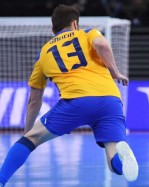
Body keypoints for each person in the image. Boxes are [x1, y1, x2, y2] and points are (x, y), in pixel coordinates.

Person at [0, 4, 138, 186]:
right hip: (110, 100)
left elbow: (34, 100)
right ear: (75, 24)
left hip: (76, 102)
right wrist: (115, 71)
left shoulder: (43, 54)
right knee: (113, 161)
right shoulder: (87, 33)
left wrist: (28, 133)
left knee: (30, 140)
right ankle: (120, 155)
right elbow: (102, 44)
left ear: (52, 28)